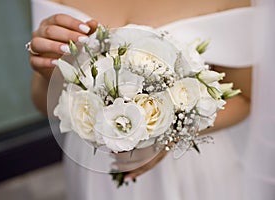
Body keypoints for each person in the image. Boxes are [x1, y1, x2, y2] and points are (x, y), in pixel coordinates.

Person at [27, 0, 253, 199]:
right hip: (97, 161)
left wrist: (168, 136)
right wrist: (51, 71)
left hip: (186, 166)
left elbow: (243, 98)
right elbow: (42, 103)